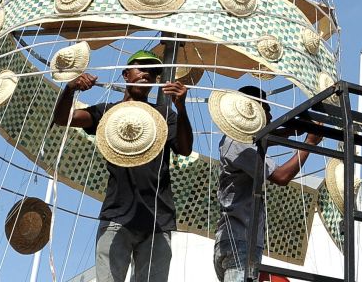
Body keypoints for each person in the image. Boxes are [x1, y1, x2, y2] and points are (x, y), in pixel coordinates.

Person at [53, 50, 193, 282]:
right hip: (117, 217)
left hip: (158, 221)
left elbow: (185, 149)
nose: (146, 74)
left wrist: (181, 107)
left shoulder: (164, 115)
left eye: (153, 72)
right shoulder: (107, 111)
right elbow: (63, 118)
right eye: (141, 68)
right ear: (126, 74)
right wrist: (70, 89)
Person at [214, 85, 320, 282]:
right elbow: (281, 176)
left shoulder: (236, 140)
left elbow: (271, 137)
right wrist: (310, 144)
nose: (271, 115)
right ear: (253, 112)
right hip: (241, 242)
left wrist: (294, 129)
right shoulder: (238, 145)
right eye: (267, 109)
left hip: (235, 241)